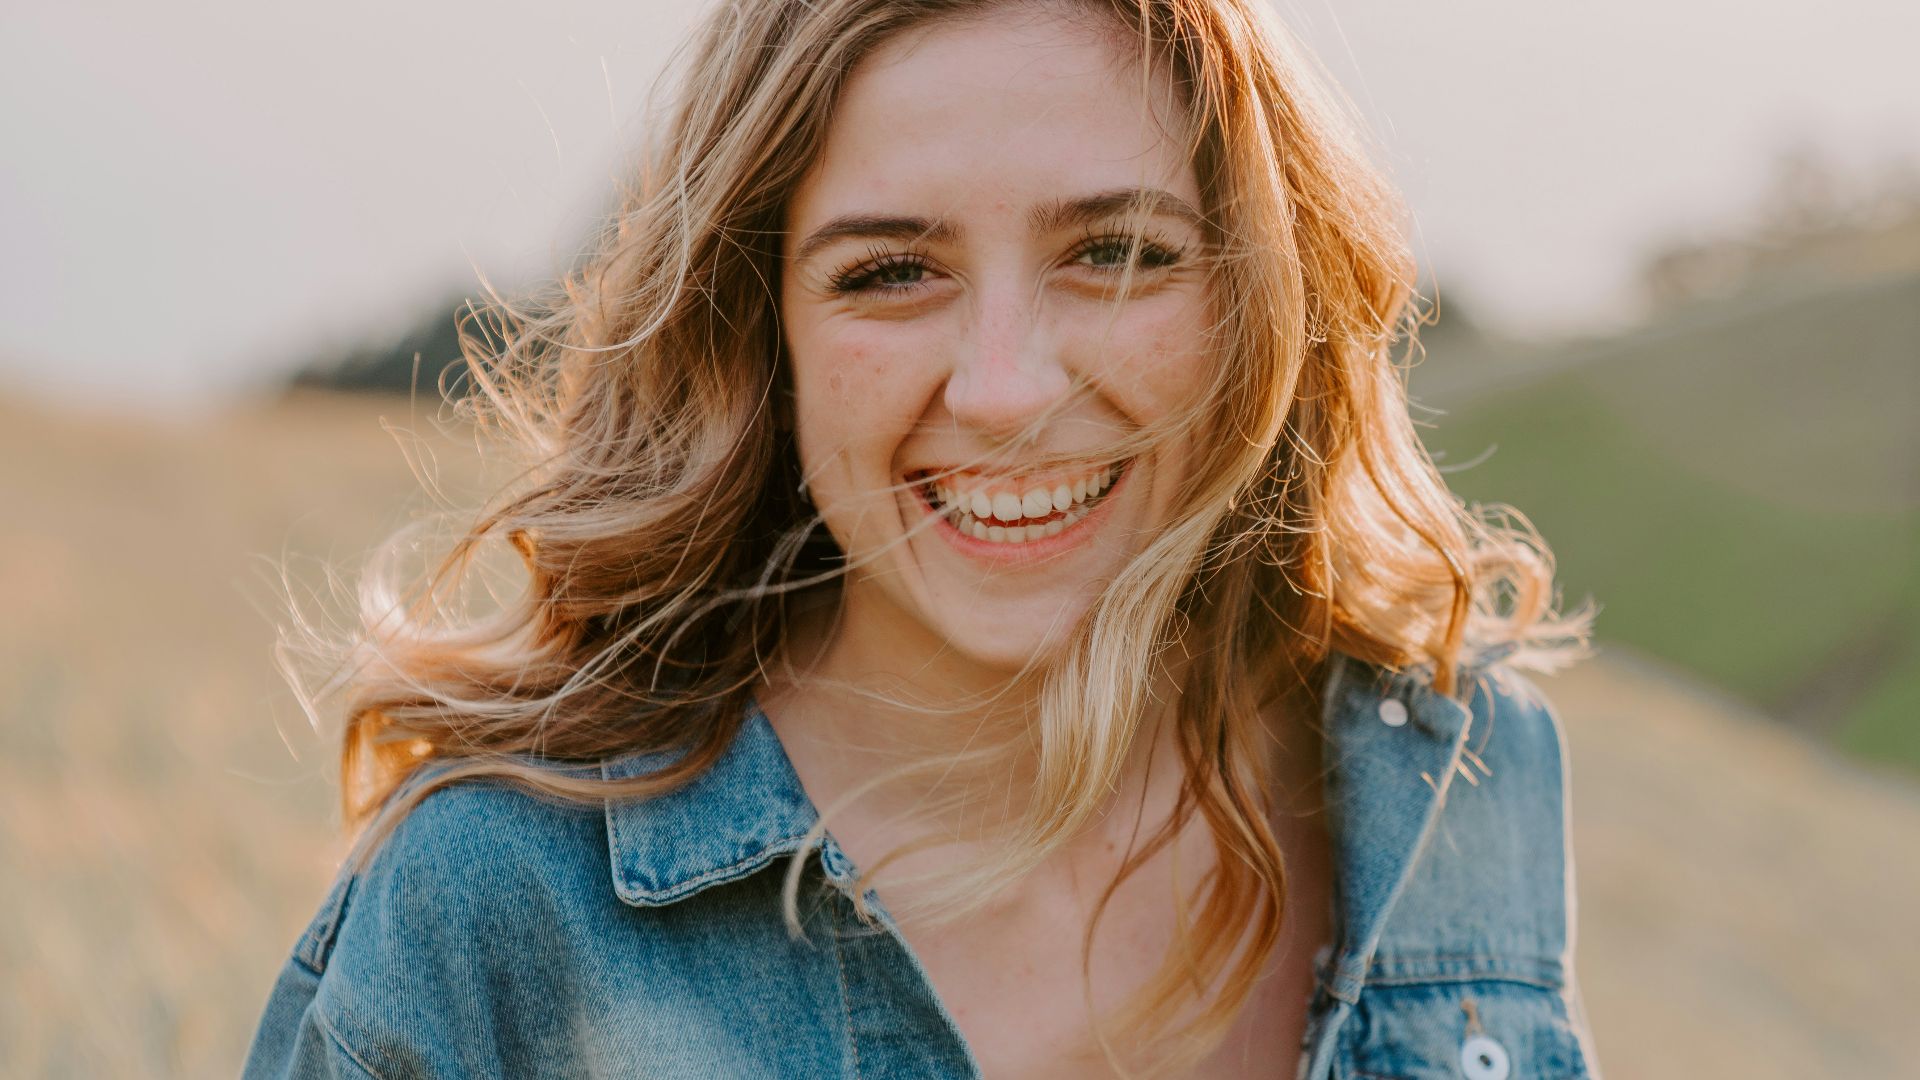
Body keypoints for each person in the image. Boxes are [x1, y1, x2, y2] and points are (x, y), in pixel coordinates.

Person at [245, 0, 1602, 1077]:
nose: (1004, 390)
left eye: (1116, 252)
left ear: (1260, 295)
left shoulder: (1450, 777)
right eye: (892, 272)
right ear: (761, 332)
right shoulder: (502, 901)